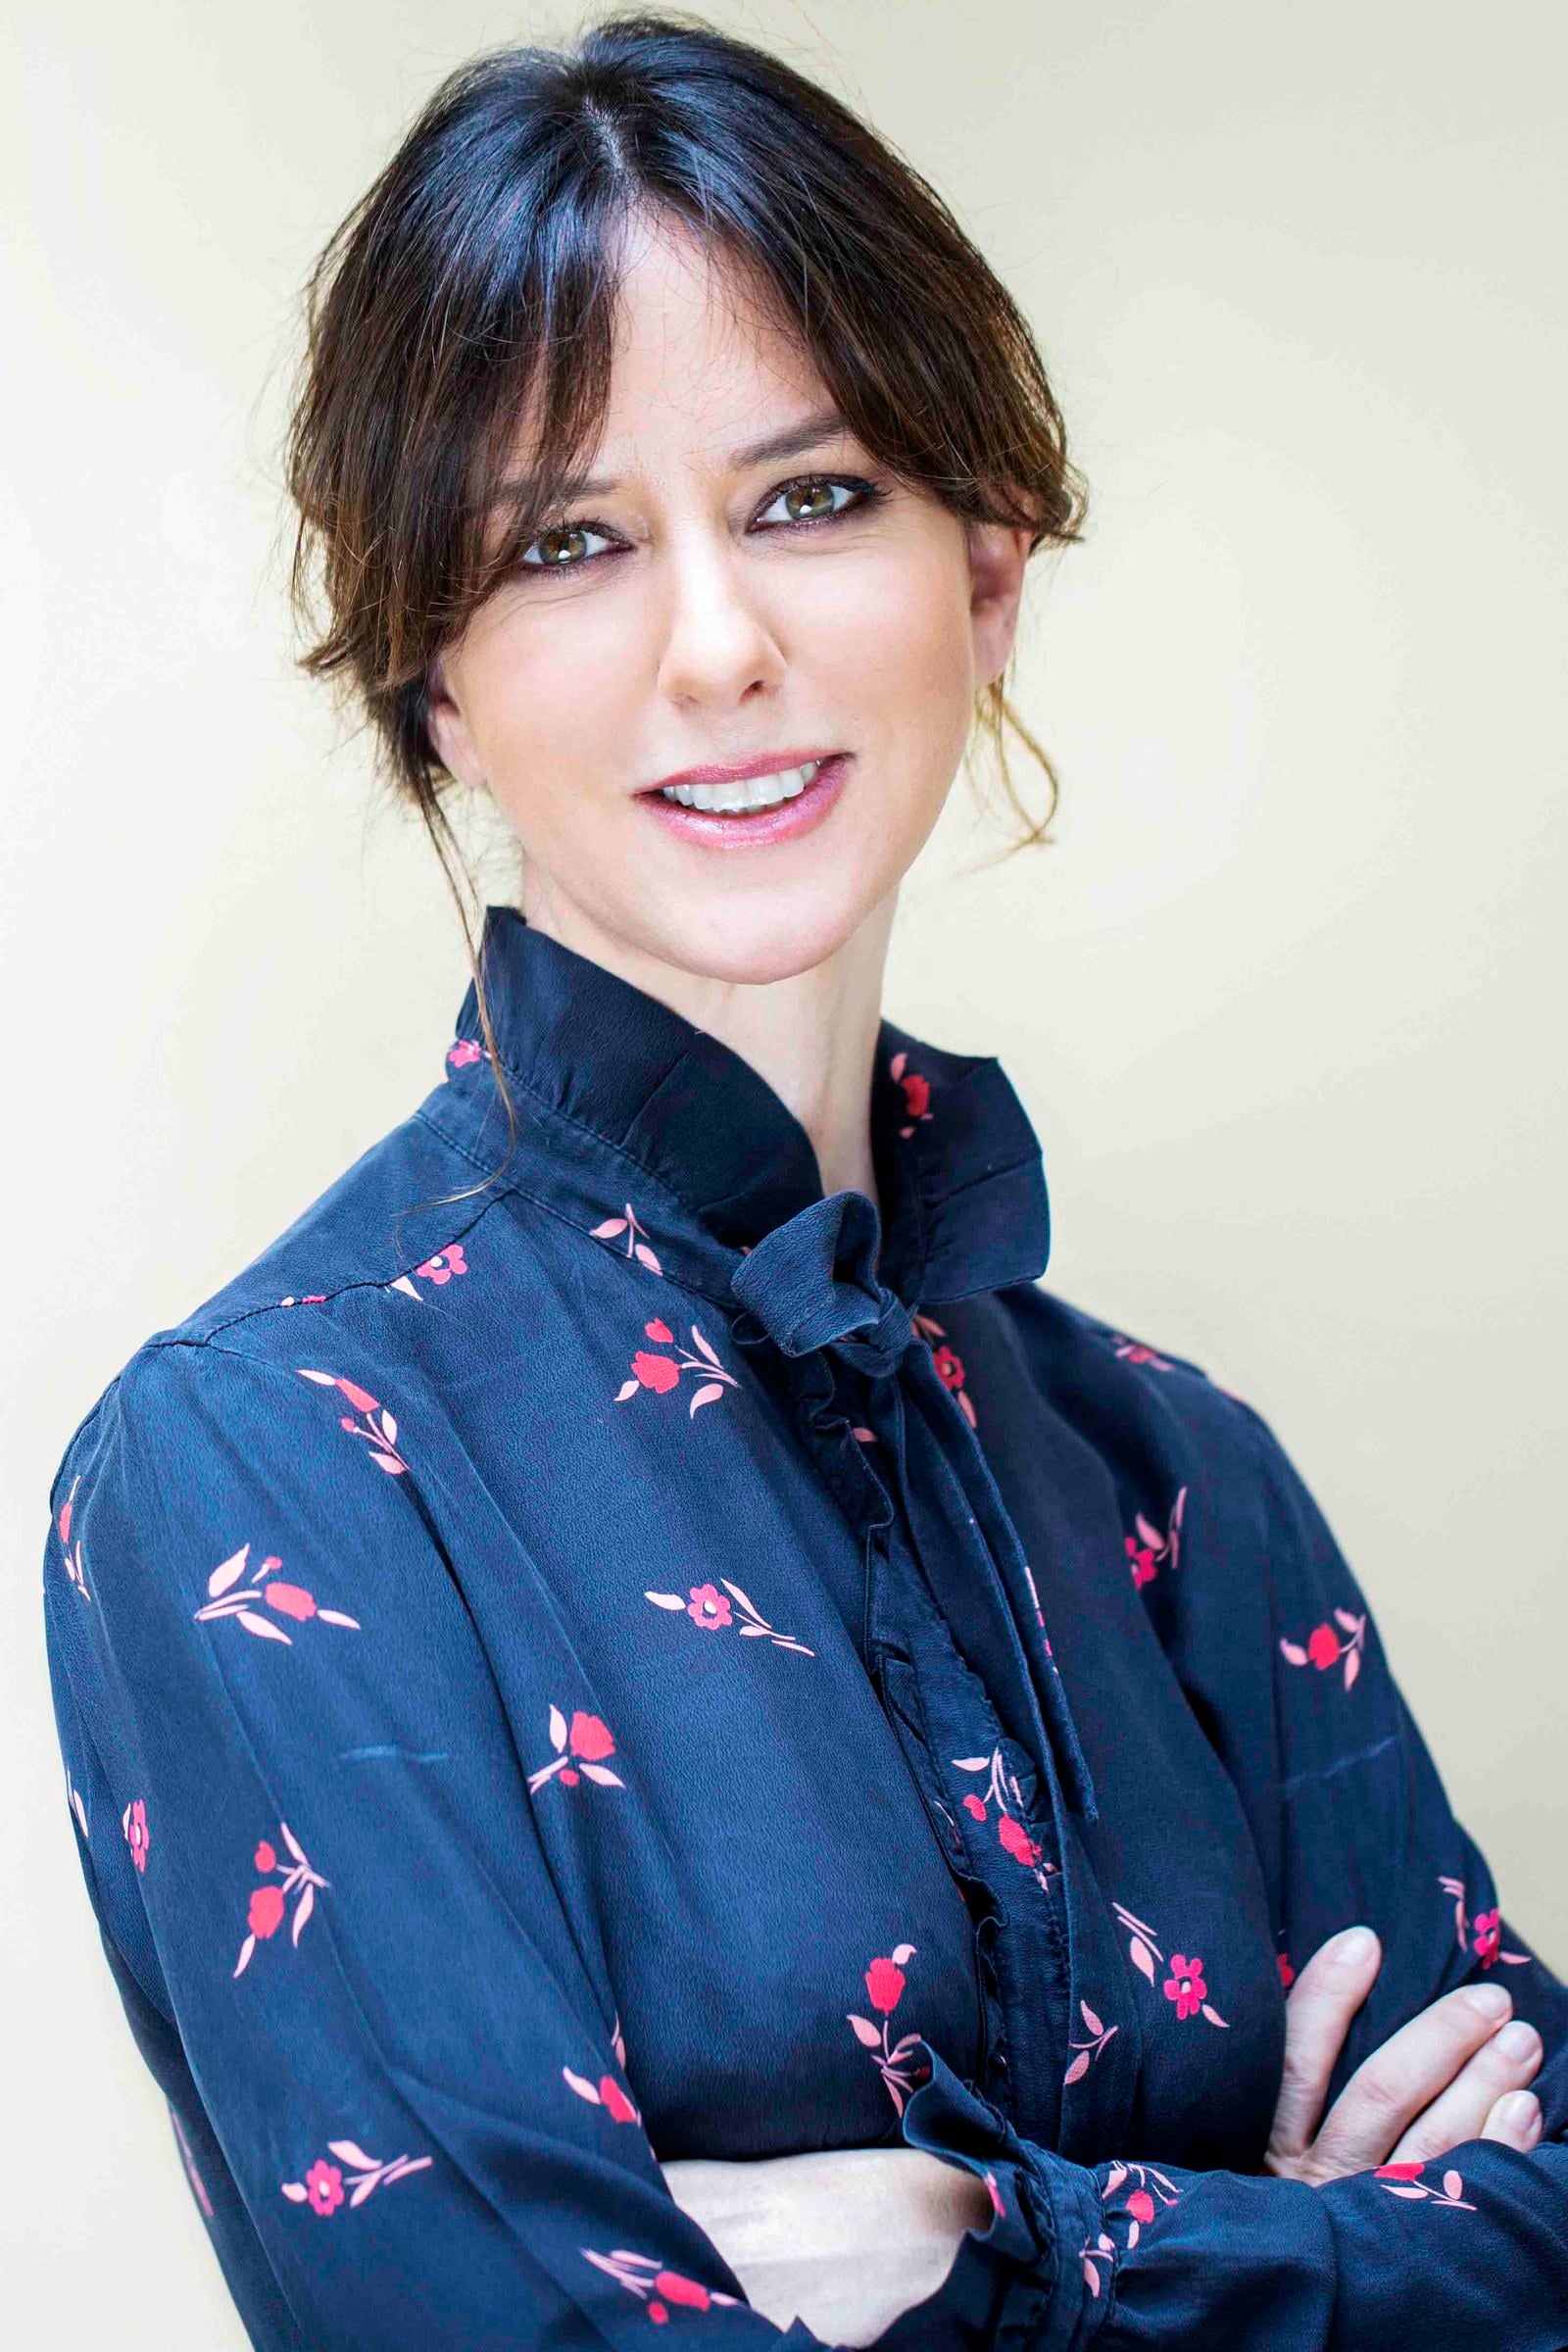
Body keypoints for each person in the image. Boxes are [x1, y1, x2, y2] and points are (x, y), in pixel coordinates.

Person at [41, 15, 1566, 2349]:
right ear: (434, 685)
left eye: (811, 496)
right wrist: (1304, 2250)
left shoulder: (1179, 1477)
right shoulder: (265, 1465)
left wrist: (975, 2247)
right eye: (564, 543)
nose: (718, 646)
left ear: (986, 565)